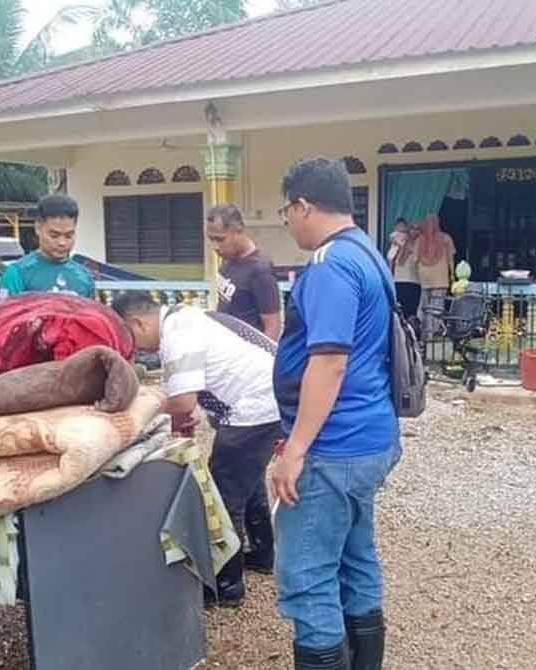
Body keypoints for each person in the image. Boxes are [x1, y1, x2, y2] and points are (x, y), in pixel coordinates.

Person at [272, 158, 400, 670]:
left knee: (307, 576)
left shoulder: (329, 264)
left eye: (286, 211)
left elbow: (329, 362)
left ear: (303, 205)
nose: (288, 222)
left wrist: (295, 449)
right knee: (355, 559)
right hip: (370, 436)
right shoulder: (367, 251)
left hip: (333, 445)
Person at [111, 290, 281, 608]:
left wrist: (140, 407)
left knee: (222, 493)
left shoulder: (178, 334)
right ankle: (261, 553)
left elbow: (182, 402)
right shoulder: (186, 318)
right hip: (270, 397)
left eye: (128, 337)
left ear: (137, 323)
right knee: (247, 479)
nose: (133, 348)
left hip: (255, 408)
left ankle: (226, 583)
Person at [207, 204, 282, 340]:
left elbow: (273, 327)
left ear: (238, 230)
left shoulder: (260, 270)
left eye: (220, 239)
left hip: (247, 350)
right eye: (211, 239)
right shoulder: (227, 260)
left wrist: (259, 353)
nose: (215, 247)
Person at [0, 194, 94, 299]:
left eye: (68, 236)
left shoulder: (85, 278)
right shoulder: (17, 274)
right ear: (38, 228)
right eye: (54, 236)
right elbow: (4, 309)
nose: (62, 242)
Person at [415, 215, 456, 337]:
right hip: (441, 279)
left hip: (424, 279)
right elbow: (450, 258)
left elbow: (415, 260)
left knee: (424, 306)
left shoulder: (420, 240)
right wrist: (452, 274)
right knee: (436, 307)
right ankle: (434, 333)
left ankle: (423, 332)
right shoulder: (445, 239)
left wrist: (419, 273)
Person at [386, 218, 421, 322]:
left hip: (412, 282)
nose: (415, 231)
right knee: (402, 312)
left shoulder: (417, 243)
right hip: (400, 281)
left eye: (418, 229)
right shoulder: (400, 243)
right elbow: (395, 261)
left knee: (409, 313)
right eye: (412, 228)